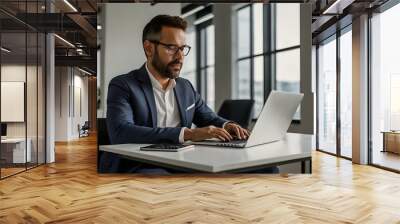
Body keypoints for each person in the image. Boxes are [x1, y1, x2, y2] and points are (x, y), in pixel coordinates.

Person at [100, 14, 276, 174]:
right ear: (149, 48)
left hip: (184, 161)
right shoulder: (123, 85)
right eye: (171, 48)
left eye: (182, 48)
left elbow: (209, 118)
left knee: (268, 168)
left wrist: (227, 125)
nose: (180, 57)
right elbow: (121, 132)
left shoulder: (185, 87)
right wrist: (188, 134)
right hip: (140, 164)